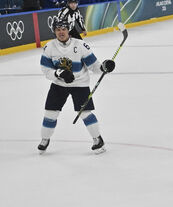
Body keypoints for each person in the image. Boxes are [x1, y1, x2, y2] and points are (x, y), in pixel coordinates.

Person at [38, 16, 115, 154]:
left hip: (80, 84)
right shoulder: (49, 47)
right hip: (59, 85)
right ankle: (45, 139)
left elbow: (94, 66)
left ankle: (98, 139)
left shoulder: (80, 45)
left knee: (85, 113)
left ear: (68, 30)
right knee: (50, 113)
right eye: (57, 29)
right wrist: (58, 74)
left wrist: (104, 67)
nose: (61, 32)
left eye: (63, 29)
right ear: (54, 31)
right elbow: (45, 69)